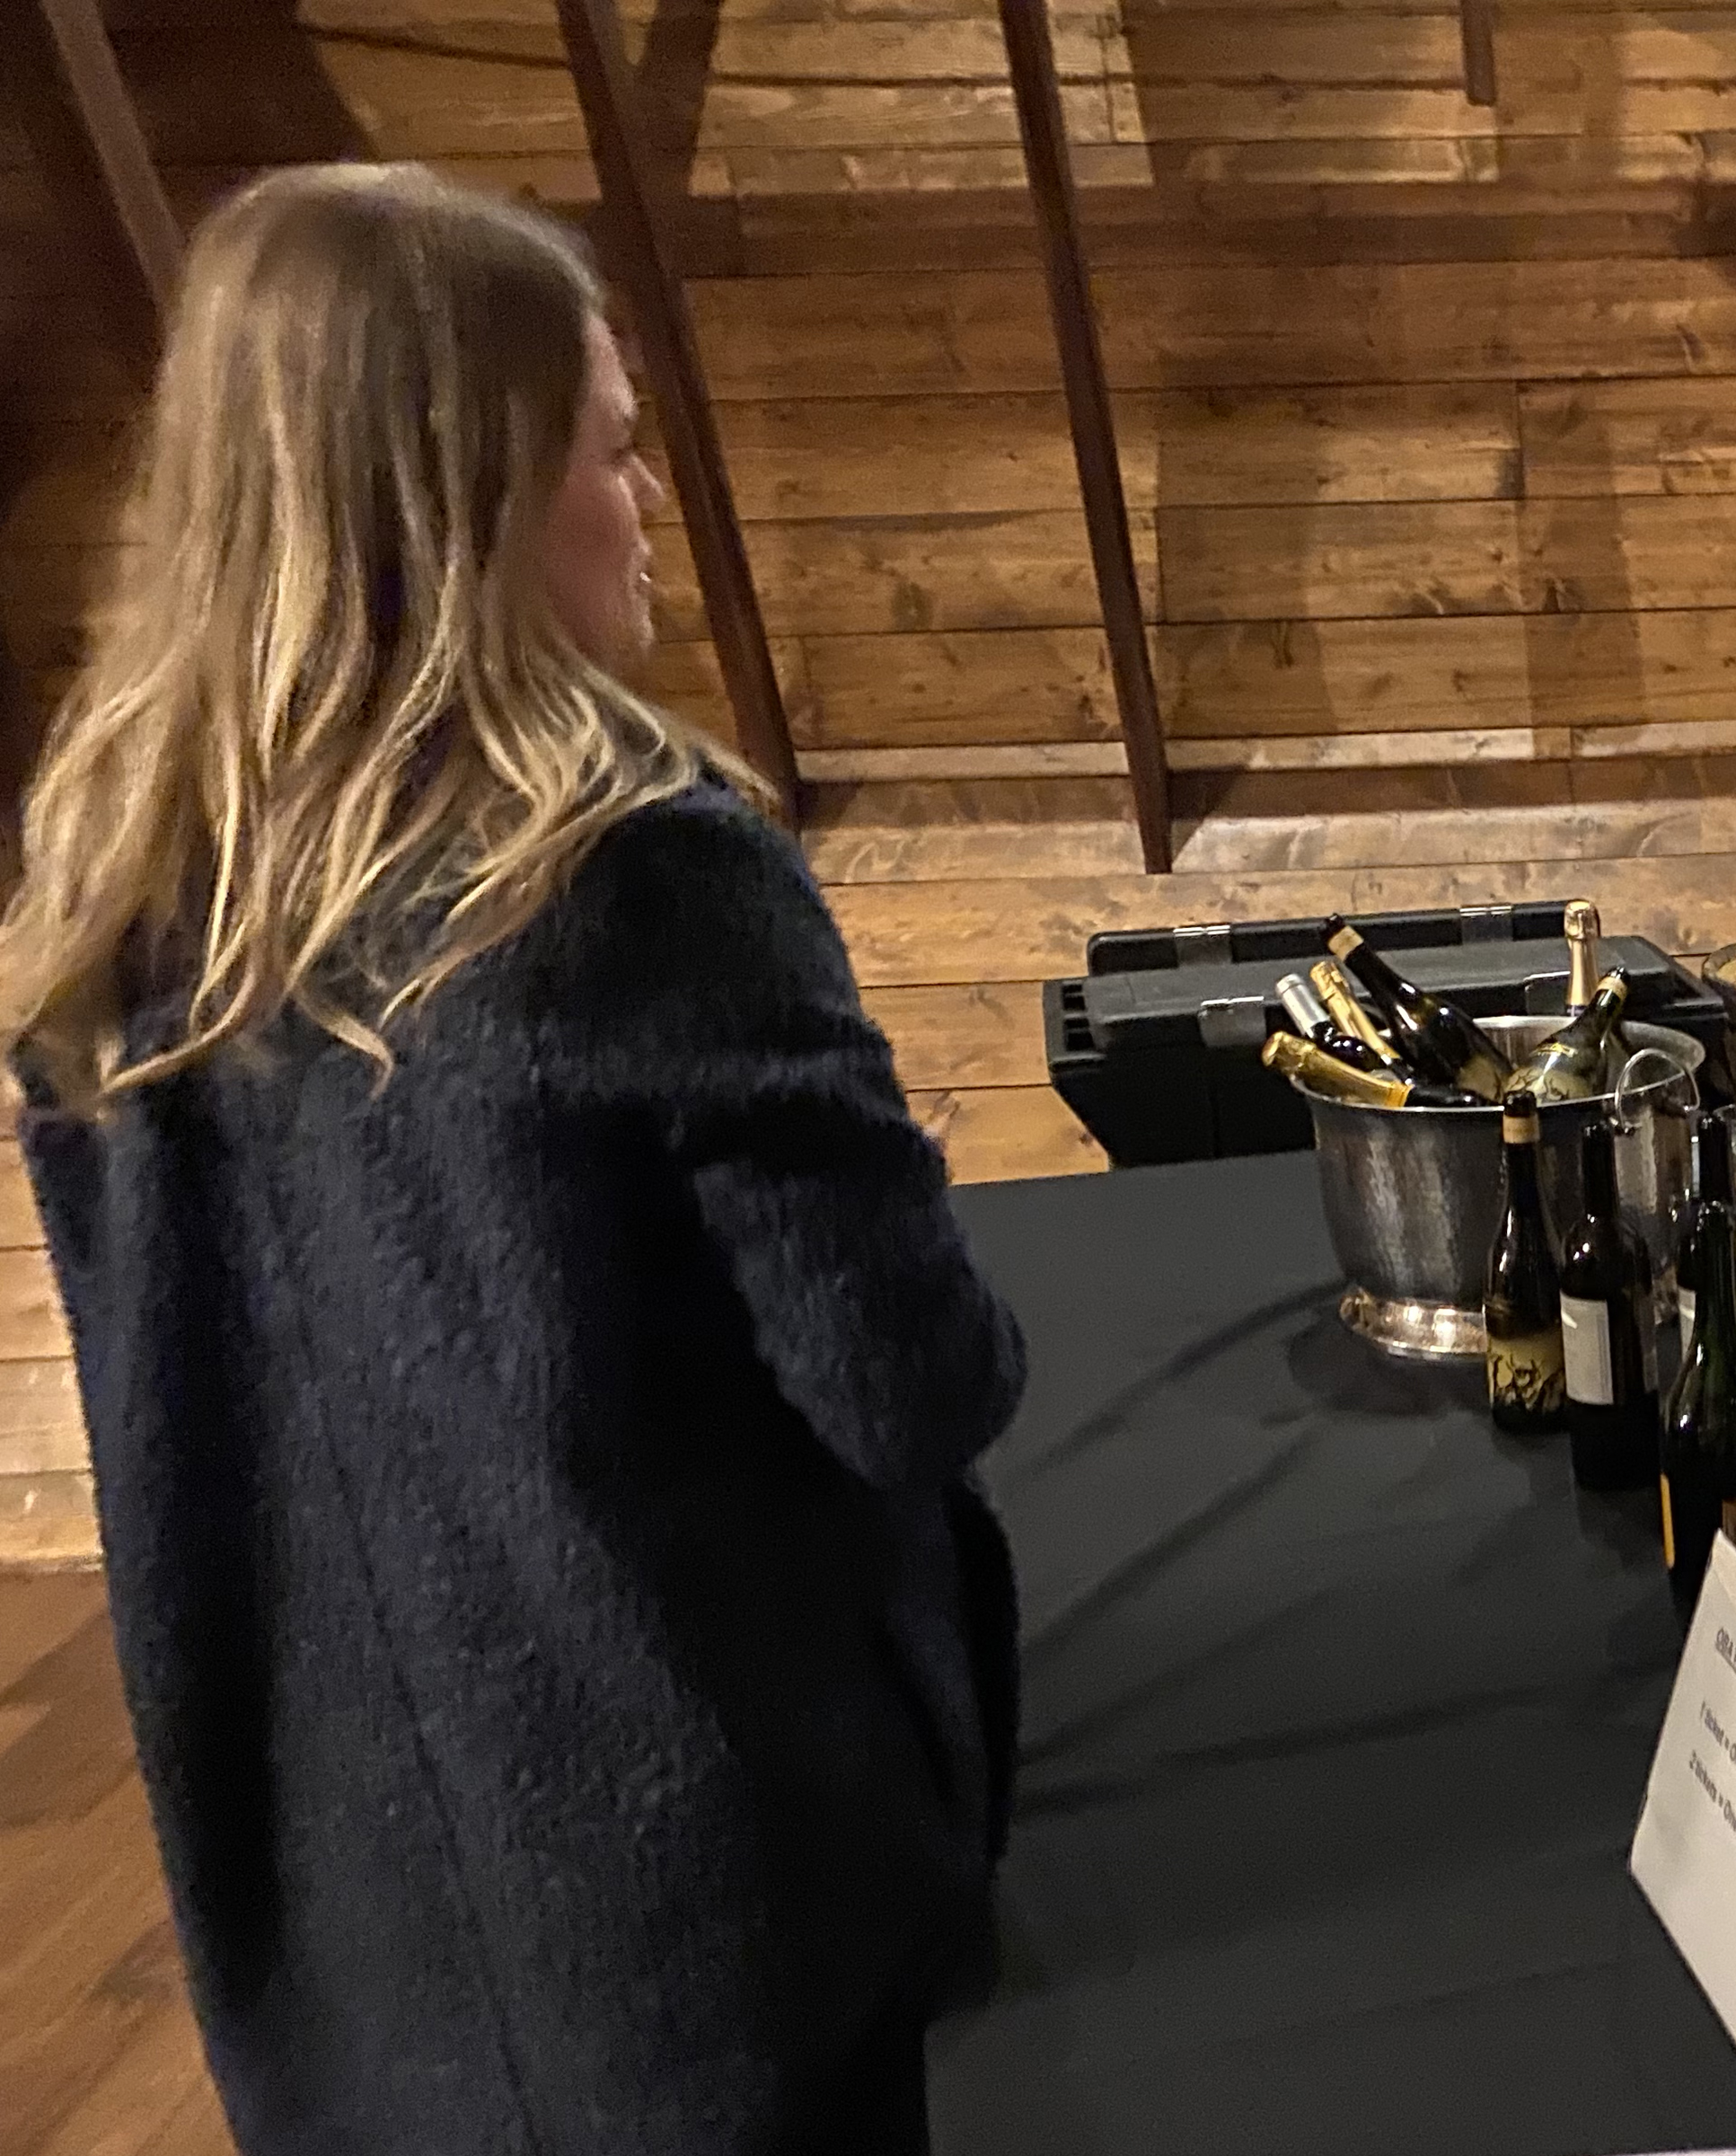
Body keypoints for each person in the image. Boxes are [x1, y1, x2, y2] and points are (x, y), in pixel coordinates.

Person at [0, 165, 1024, 2152]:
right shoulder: (639, 874)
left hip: (328, 1925)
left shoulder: (104, 895)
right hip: (706, 1924)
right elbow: (911, 1390)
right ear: (469, 488)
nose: (642, 505)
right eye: (614, 454)